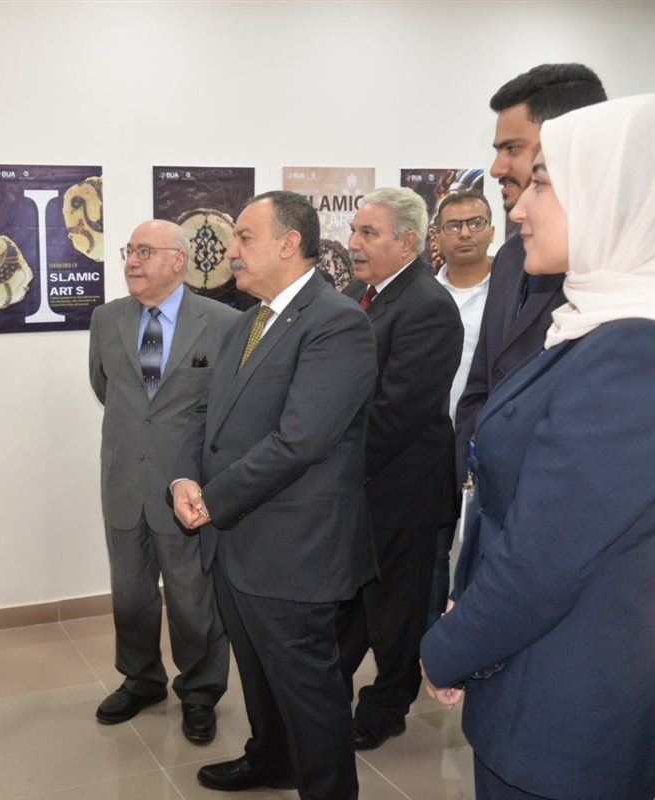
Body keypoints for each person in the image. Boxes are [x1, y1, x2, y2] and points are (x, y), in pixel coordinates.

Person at [421, 94, 655, 800]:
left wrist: (448, 647)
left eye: (544, 184)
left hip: (564, 716)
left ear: (611, 198)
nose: (519, 208)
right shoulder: (594, 325)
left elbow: (545, 559)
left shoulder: (631, 353)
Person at [170, 191, 377, 798]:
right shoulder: (248, 320)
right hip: (236, 541)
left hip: (294, 549)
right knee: (258, 673)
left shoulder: (337, 322)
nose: (230, 251)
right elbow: (206, 416)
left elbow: (301, 441)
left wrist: (212, 499)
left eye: (244, 237)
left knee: (309, 692)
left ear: (289, 243)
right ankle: (270, 760)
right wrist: (183, 479)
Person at [88, 220, 236, 742]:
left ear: (178, 260)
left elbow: (225, 408)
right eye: (129, 251)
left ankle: (200, 691)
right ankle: (141, 679)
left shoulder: (223, 322)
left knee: (192, 598)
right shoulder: (106, 319)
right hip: (124, 479)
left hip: (187, 487)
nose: (132, 260)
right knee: (130, 594)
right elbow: (105, 388)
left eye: (145, 251)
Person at [337, 187, 462, 750]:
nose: (353, 243)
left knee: (398, 615)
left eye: (368, 233)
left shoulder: (428, 307)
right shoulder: (358, 296)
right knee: (354, 606)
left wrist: (328, 462)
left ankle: (386, 710)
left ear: (408, 242)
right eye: (354, 230)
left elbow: (396, 414)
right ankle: (326, 697)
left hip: (404, 493)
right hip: (359, 487)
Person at [453, 64, 606, 487]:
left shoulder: (615, 269)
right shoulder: (509, 256)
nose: (496, 168)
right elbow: (484, 380)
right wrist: (471, 474)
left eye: (512, 149)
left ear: (569, 144)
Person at [429, 190, 495, 627]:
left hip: (485, 442)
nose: (465, 233)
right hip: (429, 446)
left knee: (481, 552)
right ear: (437, 235)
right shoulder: (422, 293)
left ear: (491, 230)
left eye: (475, 223)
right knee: (434, 555)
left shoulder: (514, 292)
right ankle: (434, 641)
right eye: (453, 225)